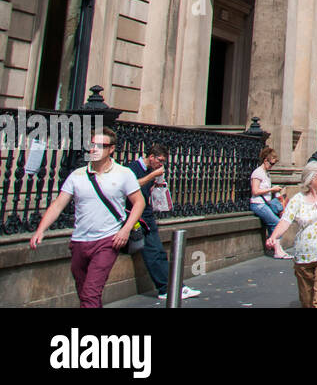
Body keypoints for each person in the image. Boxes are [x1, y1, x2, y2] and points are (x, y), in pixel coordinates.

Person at [30, 127, 145, 308]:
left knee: (91, 293)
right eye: (92, 145)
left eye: (101, 145)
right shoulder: (77, 175)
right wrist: (40, 230)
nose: (94, 149)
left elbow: (139, 202)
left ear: (111, 149)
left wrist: (125, 229)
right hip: (79, 241)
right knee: (84, 292)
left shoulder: (124, 174)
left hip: (107, 240)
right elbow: (59, 204)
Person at [266, 161, 317, 308]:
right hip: (303, 257)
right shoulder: (298, 199)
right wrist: (273, 237)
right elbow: (285, 221)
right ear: (310, 179)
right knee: (307, 302)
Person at [126, 143, 199, 300]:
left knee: (159, 252)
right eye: (160, 160)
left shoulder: (151, 171)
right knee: (152, 252)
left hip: (147, 213)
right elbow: (131, 186)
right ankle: (166, 288)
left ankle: (174, 287)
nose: (161, 164)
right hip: (138, 217)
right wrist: (152, 176)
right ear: (151, 157)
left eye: (164, 162)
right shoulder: (133, 168)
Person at [250, 147, 290, 258]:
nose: (272, 166)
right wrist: (272, 190)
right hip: (258, 204)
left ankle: (275, 247)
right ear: (265, 160)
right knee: (277, 223)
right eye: (271, 163)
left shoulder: (266, 173)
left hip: (264, 203)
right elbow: (255, 190)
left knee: (276, 222)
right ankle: (277, 250)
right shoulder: (257, 173)